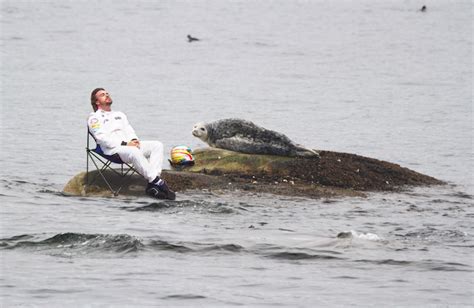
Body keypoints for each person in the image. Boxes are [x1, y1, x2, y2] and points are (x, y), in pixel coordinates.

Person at [87, 88, 175, 200]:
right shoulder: (94, 118)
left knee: (157, 145)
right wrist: (126, 144)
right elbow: (101, 139)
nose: (107, 95)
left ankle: (153, 184)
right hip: (113, 150)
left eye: (107, 93)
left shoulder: (120, 114)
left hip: (130, 146)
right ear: (97, 102)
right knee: (133, 151)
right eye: (102, 95)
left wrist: (134, 140)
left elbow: (129, 130)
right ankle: (158, 183)